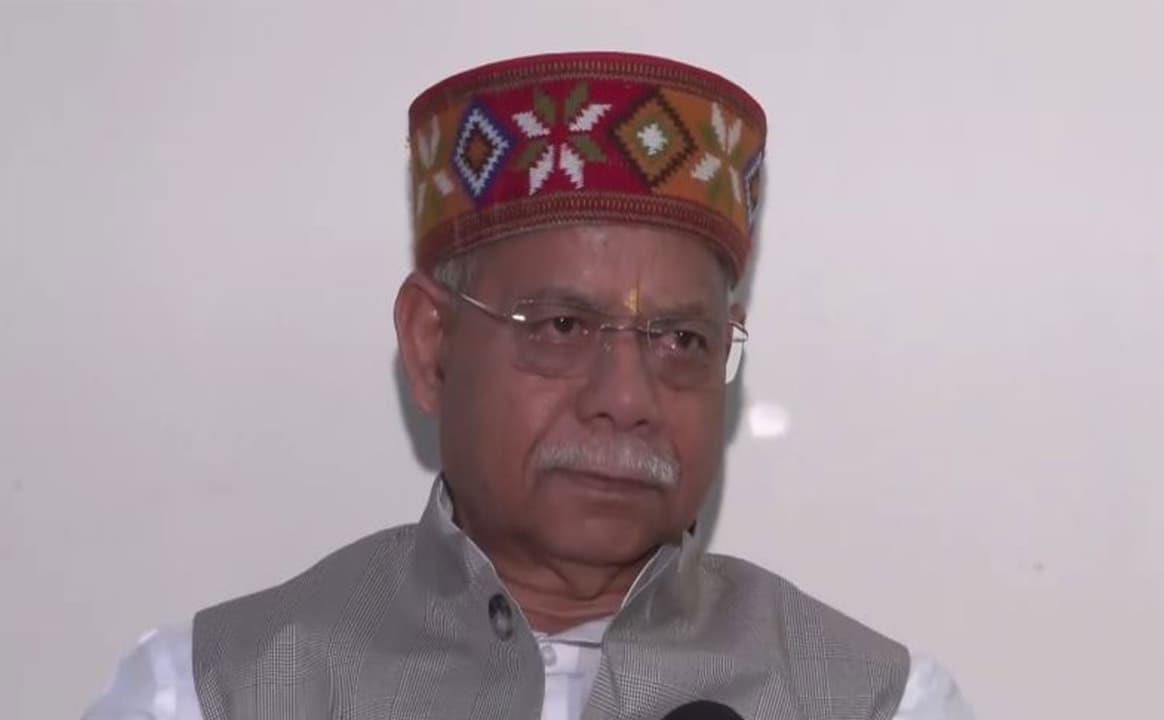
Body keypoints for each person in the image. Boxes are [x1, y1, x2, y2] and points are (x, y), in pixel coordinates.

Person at [83, 51, 974, 720]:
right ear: (433, 347)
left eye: (681, 340)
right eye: (561, 327)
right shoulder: (213, 693)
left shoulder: (874, 702)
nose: (628, 399)